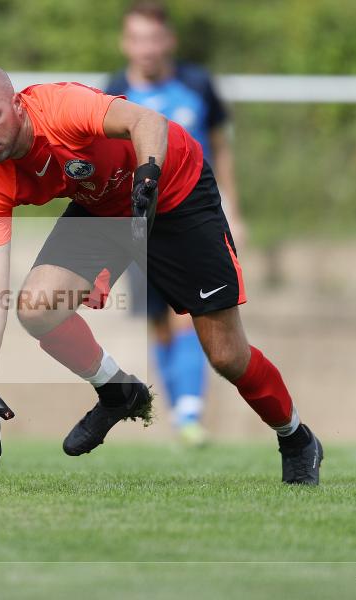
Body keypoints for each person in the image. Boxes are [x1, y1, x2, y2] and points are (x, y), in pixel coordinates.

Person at [0, 63, 323, 485]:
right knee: (35, 308)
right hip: (106, 208)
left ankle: (297, 438)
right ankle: (118, 392)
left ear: (17, 105)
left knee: (226, 355)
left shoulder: (60, 108)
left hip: (175, 190)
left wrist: (147, 176)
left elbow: (148, 121)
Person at [104, 1, 244, 446]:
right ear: (126, 43)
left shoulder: (197, 84)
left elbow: (220, 147)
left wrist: (233, 208)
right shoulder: (114, 91)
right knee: (159, 321)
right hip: (140, 223)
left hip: (195, 217)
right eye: (136, 38)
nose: (145, 48)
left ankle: (189, 411)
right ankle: (182, 408)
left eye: (153, 38)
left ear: (169, 40)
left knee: (193, 315)